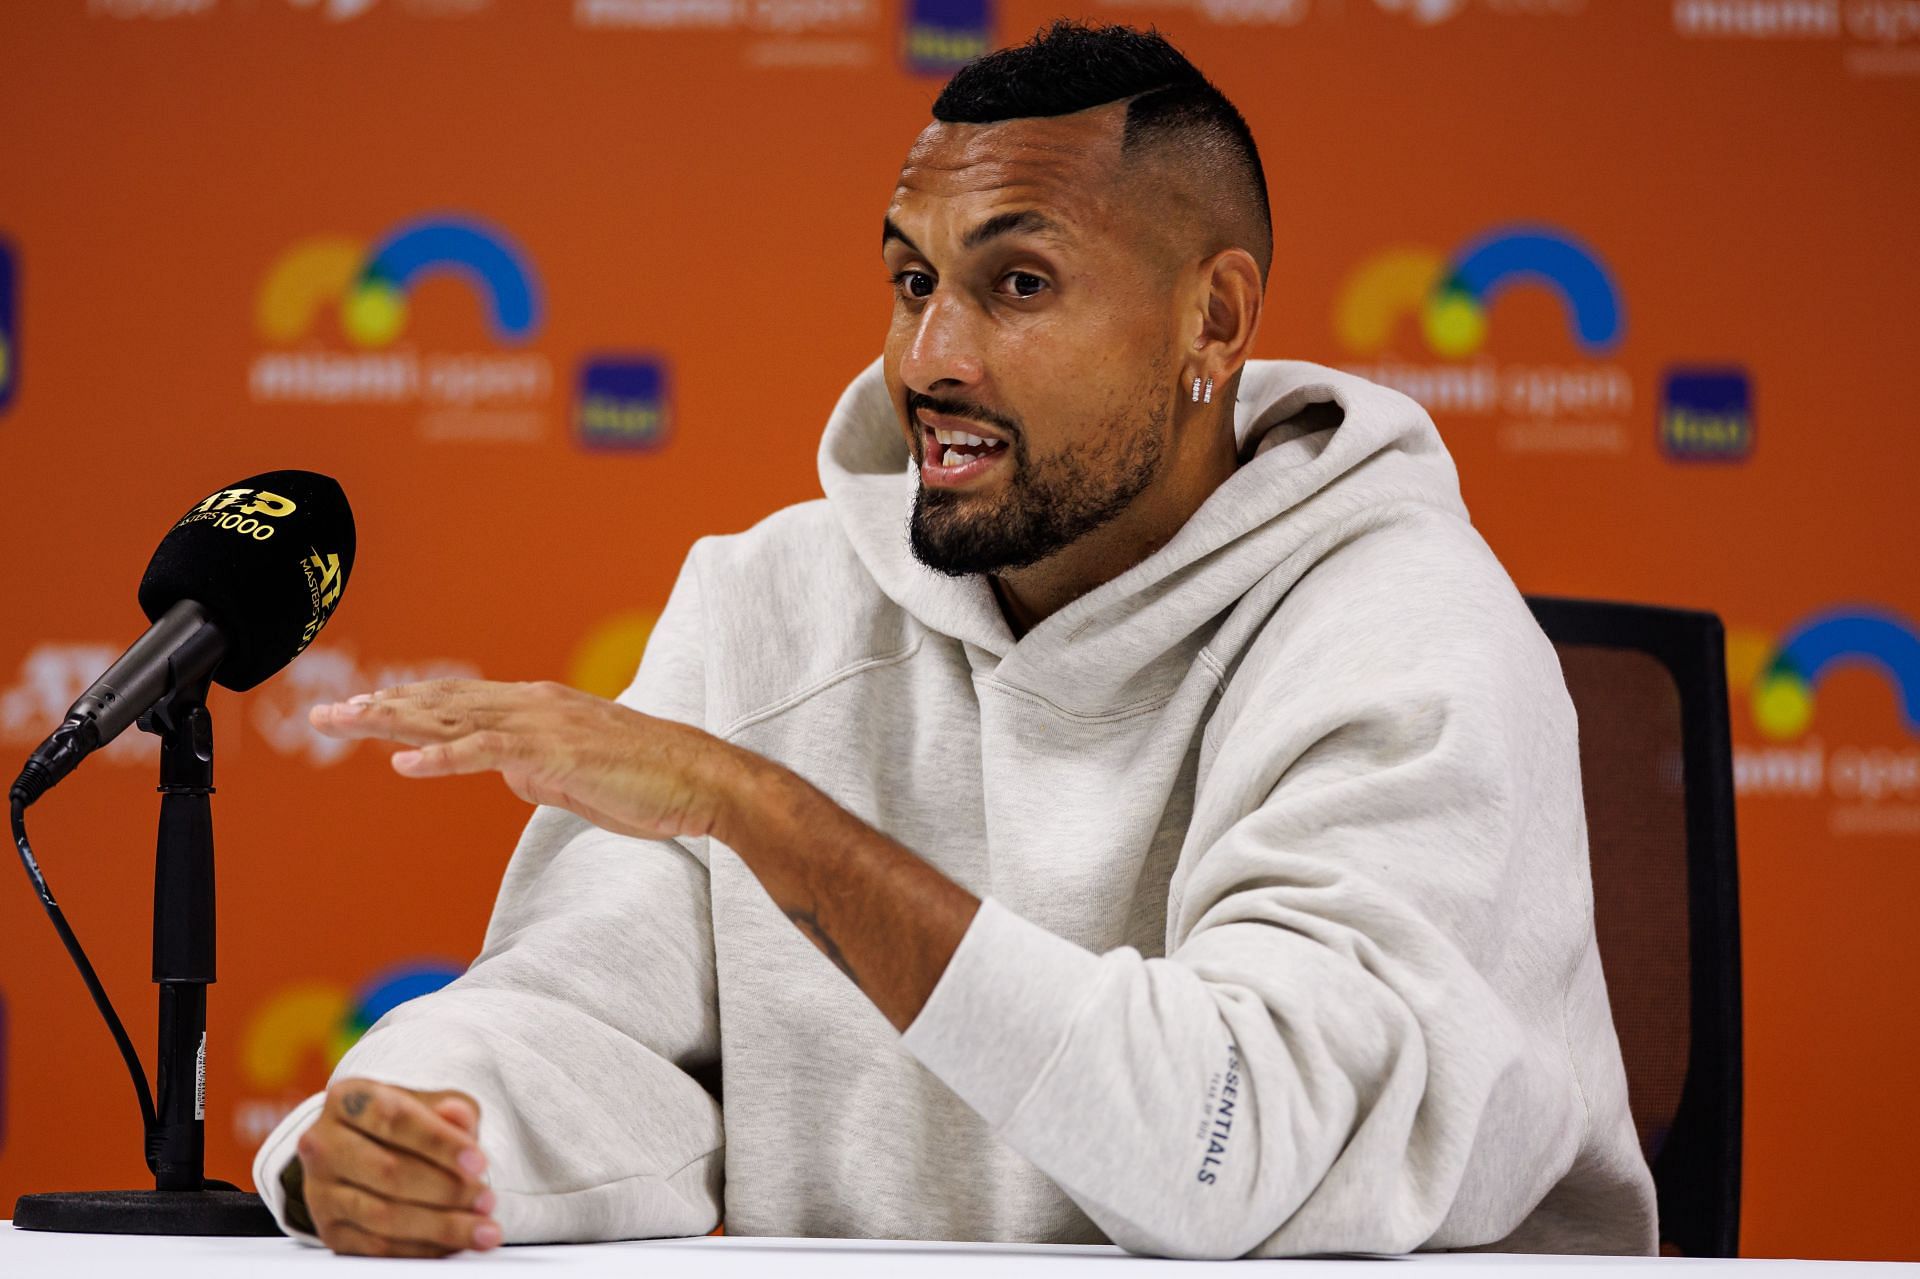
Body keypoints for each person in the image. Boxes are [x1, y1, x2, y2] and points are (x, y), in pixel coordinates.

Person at [253, 21, 1656, 1260]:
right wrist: (413, 1135)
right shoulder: (769, 603)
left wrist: (762, 816)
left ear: (1210, 320)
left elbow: (1244, 1146)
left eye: (1019, 285)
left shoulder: (1403, 631)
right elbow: (582, 1024)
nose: (930, 356)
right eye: (912, 280)